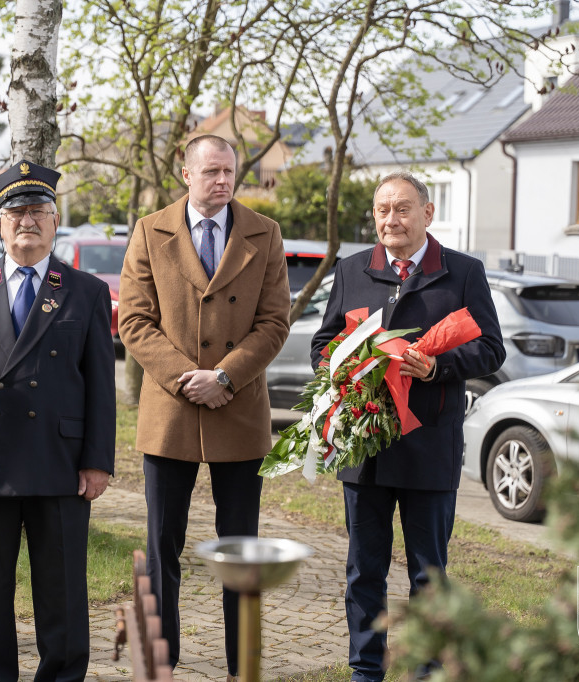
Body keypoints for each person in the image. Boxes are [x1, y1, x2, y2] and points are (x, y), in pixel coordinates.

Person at [309, 171, 505, 682]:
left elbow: (491, 348)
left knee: (428, 575)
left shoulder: (463, 272)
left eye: (402, 209)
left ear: (427, 212)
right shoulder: (353, 269)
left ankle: (425, 670)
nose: (390, 220)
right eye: (381, 211)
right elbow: (323, 345)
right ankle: (365, 669)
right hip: (365, 451)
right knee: (363, 572)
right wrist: (346, 370)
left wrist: (438, 367)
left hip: (429, 448)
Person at [0, 160, 116, 682]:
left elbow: (101, 386)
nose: (26, 221)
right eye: (15, 212)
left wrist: (97, 461)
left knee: (61, 589)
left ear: (57, 222)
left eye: (38, 211)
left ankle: (61, 675)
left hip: (59, 464)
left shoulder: (85, 290)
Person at [118, 134, 291, 679]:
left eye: (229, 171)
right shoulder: (151, 230)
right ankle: (161, 660)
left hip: (237, 411)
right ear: (186, 173)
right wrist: (184, 379)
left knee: (241, 549)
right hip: (171, 413)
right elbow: (134, 321)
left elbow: (274, 323)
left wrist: (225, 376)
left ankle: (244, 661)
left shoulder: (265, 234)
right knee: (161, 543)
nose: (222, 180)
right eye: (212, 171)